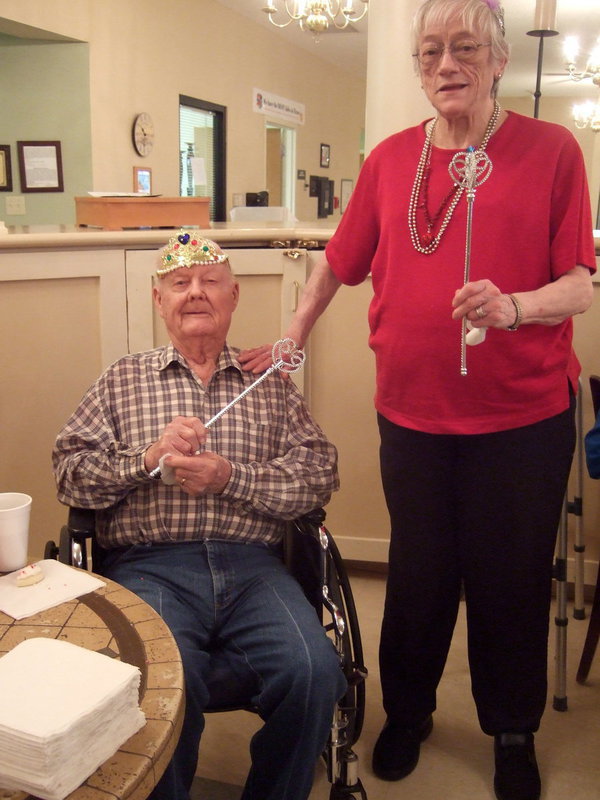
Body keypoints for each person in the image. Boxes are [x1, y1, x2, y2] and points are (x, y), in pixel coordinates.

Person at [238, 1, 597, 798]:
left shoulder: (552, 151)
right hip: (411, 414)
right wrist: (295, 329)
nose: (446, 64)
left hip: (523, 416)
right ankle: (408, 712)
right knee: (421, 572)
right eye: (431, 50)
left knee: (509, 576)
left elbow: (579, 282)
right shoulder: (392, 159)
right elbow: (339, 260)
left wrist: (514, 307)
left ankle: (511, 728)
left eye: (465, 46)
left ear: (499, 57)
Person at [53, 233, 346, 800]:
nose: (195, 294)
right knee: (164, 678)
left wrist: (232, 478)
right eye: (179, 283)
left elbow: (320, 474)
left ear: (233, 297)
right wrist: (145, 460)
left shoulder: (270, 384)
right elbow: (69, 471)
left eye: (210, 282)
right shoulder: (122, 379)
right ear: (158, 299)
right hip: (149, 566)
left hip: (256, 567)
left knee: (313, 672)